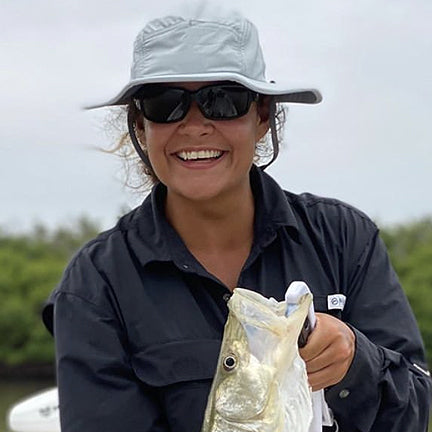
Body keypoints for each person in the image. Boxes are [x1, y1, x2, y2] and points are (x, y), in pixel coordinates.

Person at [42, 8, 431, 432]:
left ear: (262, 115)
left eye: (222, 100)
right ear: (141, 123)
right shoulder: (95, 284)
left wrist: (357, 362)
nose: (195, 127)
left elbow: (416, 410)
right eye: (164, 104)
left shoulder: (344, 240)